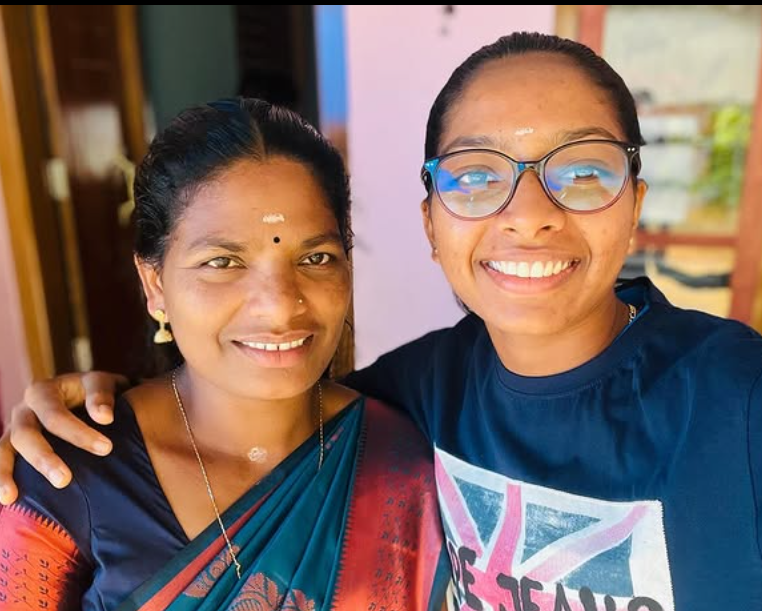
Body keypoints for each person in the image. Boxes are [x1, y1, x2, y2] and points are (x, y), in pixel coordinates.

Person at [4, 32, 762, 611]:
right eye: (478, 176)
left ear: (634, 202)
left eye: (583, 171)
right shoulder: (416, 396)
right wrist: (63, 402)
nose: (529, 216)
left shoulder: (750, 408)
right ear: (431, 221)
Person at [0, 98, 448, 610]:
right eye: (222, 261)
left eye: (315, 257)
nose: (281, 305)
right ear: (155, 283)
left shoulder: (403, 458)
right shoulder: (62, 477)